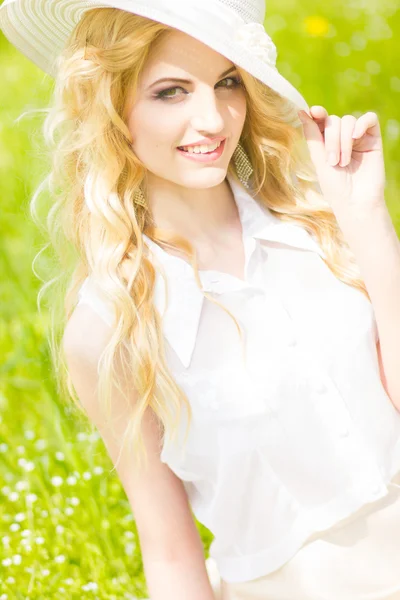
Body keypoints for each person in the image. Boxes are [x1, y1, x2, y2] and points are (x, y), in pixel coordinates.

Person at [2, 1, 400, 599]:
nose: (213, 119)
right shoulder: (111, 328)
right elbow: (168, 550)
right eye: (170, 91)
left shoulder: (321, 226)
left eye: (227, 82)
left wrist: (367, 218)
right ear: (111, 106)